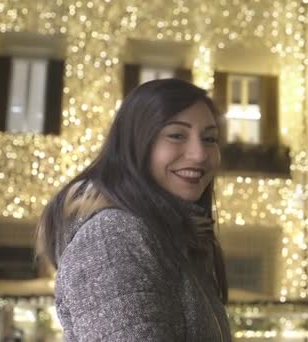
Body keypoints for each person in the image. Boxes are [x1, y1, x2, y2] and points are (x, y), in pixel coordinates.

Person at [36, 78, 231, 341]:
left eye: (209, 138)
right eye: (176, 135)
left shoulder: (175, 240)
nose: (199, 154)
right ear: (137, 142)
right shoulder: (113, 236)